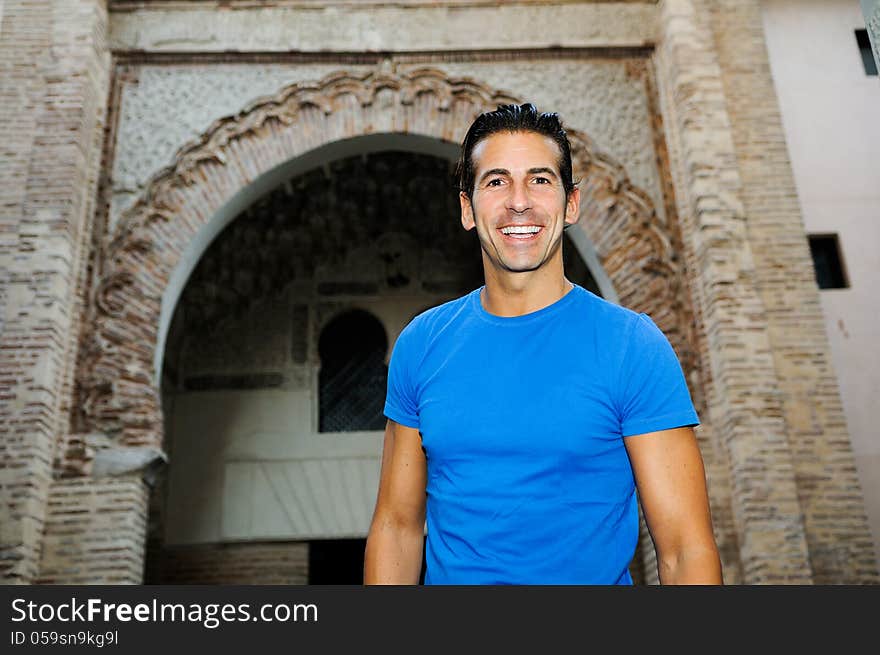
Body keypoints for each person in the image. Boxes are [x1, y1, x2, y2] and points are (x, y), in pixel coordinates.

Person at [363, 103, 722, 585]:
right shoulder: (421, 344)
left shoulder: (632, 346)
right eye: (496, 182)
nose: (518, 202)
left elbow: (684, 550)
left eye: (539, 180)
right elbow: (397, 527)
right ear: (468, 209)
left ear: (570, 203)